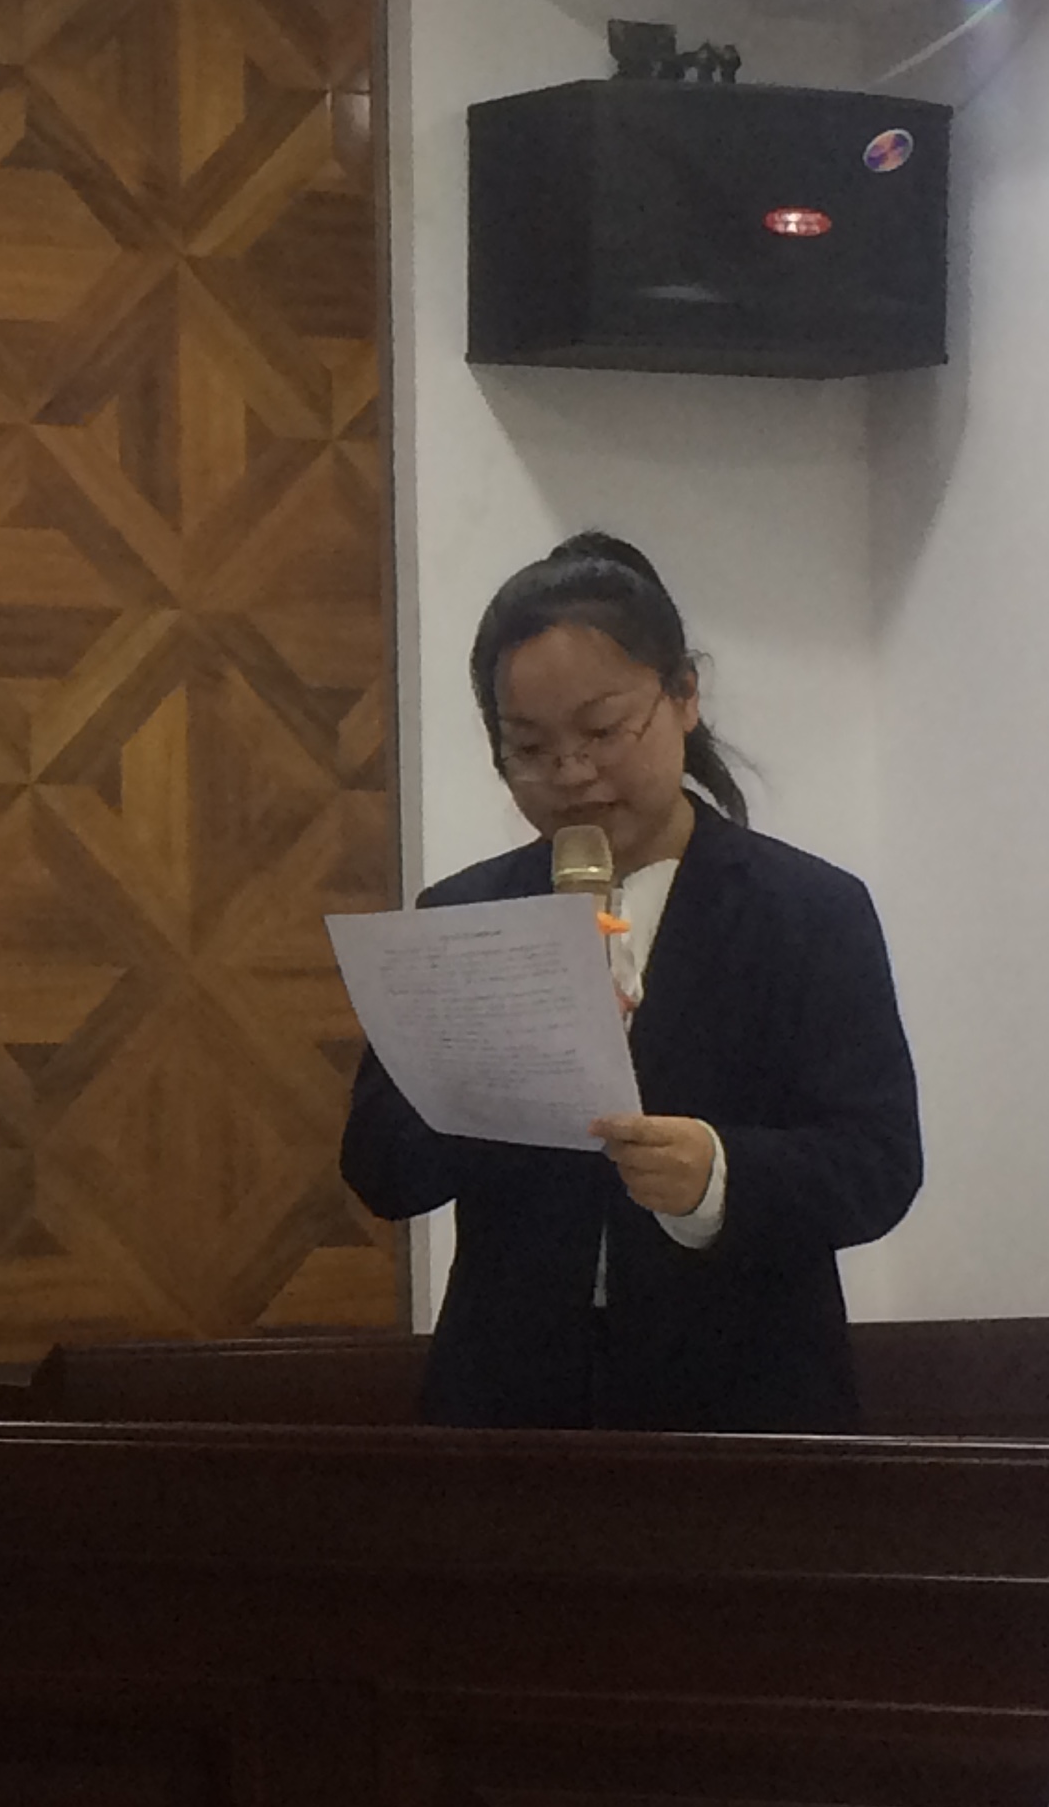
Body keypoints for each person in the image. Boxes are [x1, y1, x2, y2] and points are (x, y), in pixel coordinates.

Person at [341, 533, 921, 1431]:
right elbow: (381, 1168)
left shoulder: (807, 910)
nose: (571, 774)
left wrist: (719, 1176)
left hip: (746, 1406)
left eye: (603, 731)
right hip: (507, 1404)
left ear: (683, 695)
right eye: (529, 747)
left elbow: (879, 1164)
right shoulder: (464, 913)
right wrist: (495, 1070)